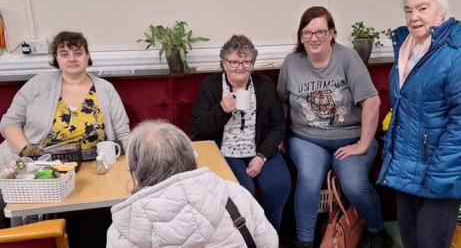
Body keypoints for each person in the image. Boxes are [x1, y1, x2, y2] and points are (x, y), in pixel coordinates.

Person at [378, 0, 461, 247]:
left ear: (442, 10)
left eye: (422, 8)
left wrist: (438, 177)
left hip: (439, 176)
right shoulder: (405, 46)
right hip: (406, 171)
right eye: (409, 10)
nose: (414, 17)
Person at [277, 6, 390, 248]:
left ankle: (377, 230)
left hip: (350, 138)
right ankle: (304, 241)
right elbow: (282, 102)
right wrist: (279, 137)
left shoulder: (347, 58)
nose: (314, 38)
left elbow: (372, 102)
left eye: (320, 32)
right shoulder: (291, 63)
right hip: (306, 138)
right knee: (308, 178)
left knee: (354, 184)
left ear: (331, 33)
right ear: (300, 37)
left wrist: (363, 144)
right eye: (307, 33)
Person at [106, 120, 278, 248]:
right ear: (192, 156)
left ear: (135, 170)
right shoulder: (235, 194)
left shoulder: (124, 228)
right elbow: (269, 242)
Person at [190, 34, 291, 231]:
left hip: (260, 149)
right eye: (234, 62)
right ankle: (246, 237)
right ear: (224, 63)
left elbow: (278, 126)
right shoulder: (211, 86)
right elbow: (198, 128)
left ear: (253, 64)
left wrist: (261, 156)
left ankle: (268, 234)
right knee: (243, 192)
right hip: (225, 152)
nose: (240, 67)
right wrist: (221, 110)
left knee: (279, 185)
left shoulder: (264, 86)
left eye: (246, 62)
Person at [0, 31, 130, 163]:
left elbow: (123, 135)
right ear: (56, 58)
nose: (72, 59)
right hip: (37, 165)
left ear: (87, 56)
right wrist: (27, 150)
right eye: (64, 54)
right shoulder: (37, 84)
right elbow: (10, 122)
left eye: (78, 53)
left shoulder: (106, 89)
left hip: (94, 164)